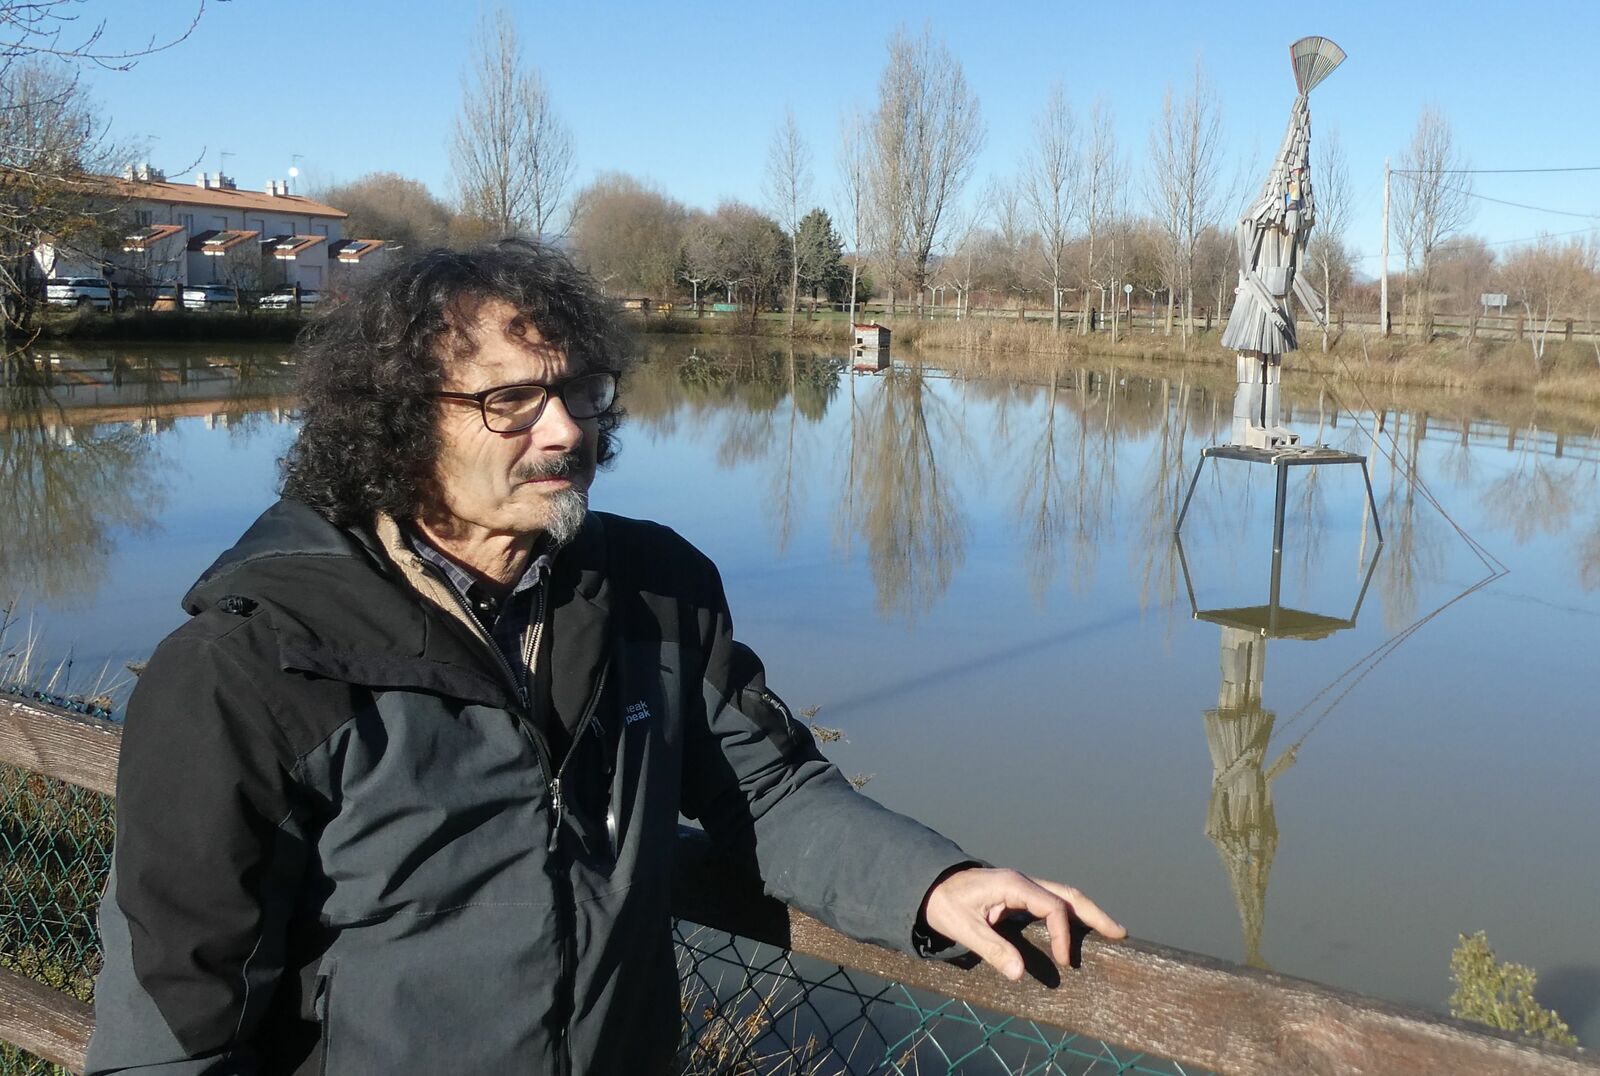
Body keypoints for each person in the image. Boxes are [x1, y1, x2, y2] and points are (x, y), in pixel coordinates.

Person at [86, 241, 1124, 1075]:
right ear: (396, 422)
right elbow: (175, 1007)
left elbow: (765, 790)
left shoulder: (652, 592)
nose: (566, 428)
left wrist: (931, 881)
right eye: (513, 400)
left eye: (583, 390)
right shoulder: (252, 663)